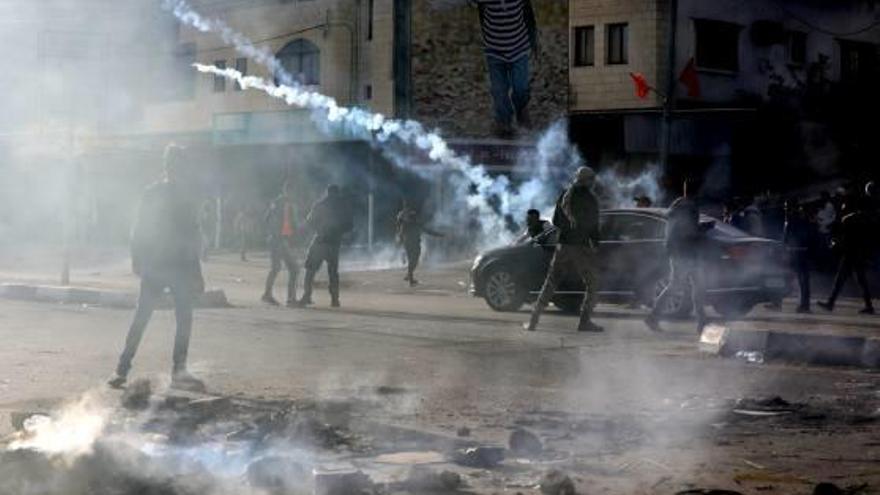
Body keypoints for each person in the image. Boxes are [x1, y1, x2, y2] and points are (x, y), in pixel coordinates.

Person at [108, 144, 205, 391]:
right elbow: (144, 229)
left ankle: (126, 370)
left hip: (167, 265)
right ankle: (133, 369)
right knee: (163, 317)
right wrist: (138, 258)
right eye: (176, 164)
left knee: (153, 317)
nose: (177, 169)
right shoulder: (171, 194)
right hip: (167, 265)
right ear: (172, 166)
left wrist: (137, 259)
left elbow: (187, 235)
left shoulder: (161, 193)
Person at [524, 166, 603, 333]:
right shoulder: (590, 199)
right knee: (592, 283)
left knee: (550, 283)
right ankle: (584, 321)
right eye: (592, 180)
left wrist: (566, 233)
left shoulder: (565, 195)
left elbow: (556, 221)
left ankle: (533, 321)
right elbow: (594, 226)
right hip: (581, 247)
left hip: (563, 246)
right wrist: (595, 244)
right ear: (588, 181)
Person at [644, 179, 709, 334]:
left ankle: (701, 322)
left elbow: (680, 230)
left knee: (685, 285)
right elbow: (688, 231)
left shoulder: (677, 205)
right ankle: (701, 323)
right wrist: (703, 229)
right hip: (686, 252)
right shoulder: (689, 207)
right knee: (694, 286)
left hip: (679, 251)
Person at [470, 0, 538, 138]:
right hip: (494, 50)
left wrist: (533, 41)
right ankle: (504, 121)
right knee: (499, 90)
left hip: (519, 48)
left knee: (521, 87)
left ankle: (521, 110)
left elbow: (529, 15)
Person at [817, 197, 875, 315]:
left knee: (840, 280)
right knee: (861, 281)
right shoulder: (865, 219)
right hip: (859, 253)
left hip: (849, 254)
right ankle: (868, 306)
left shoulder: (847, 219)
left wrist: (835, 244)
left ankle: (830, 303)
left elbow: (842, 238)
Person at [299, 185, 353, 308]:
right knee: (333, 272)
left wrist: (319, 229)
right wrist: (339, 232)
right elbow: (350, 224)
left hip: (320, 242)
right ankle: (335, 299)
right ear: (337, 193)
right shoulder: (343, 206)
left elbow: (309, 221)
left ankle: (307, 296)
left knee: (310, 270)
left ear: (327, 193)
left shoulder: (320, 205)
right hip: (335, 243)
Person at [262, 181, 300, 306]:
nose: (294, 193)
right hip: (277, 240)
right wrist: (275, 234)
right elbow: (268, 218)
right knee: (291, 268)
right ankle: (289, 298)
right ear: (286, 190)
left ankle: (269, 295)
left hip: (282, 239)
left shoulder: (288, 204)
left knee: (282, 268)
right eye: (292, 190)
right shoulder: (279, 202)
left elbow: (289, 223)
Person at [396, 200, 444, 287]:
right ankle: (410, 279)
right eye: (413, 217)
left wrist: (440, 235)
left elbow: (428, 231)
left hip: (414, 245)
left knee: (415, 261)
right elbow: (401, 234)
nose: (414, 218)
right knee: (412, 261)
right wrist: (400, 243)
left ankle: (409, 275)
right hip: (410, 245)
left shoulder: (415, 225)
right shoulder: (406, 224)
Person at [783, 199, 813, 313]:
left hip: (796, 252)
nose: (786, 209)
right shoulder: (805, 219)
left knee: (799, 279)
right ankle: (805, 304)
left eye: (787, 207)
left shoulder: (790, 220)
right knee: (804, 280)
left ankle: (802, 304)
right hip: (803, 252)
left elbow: (786, 238)